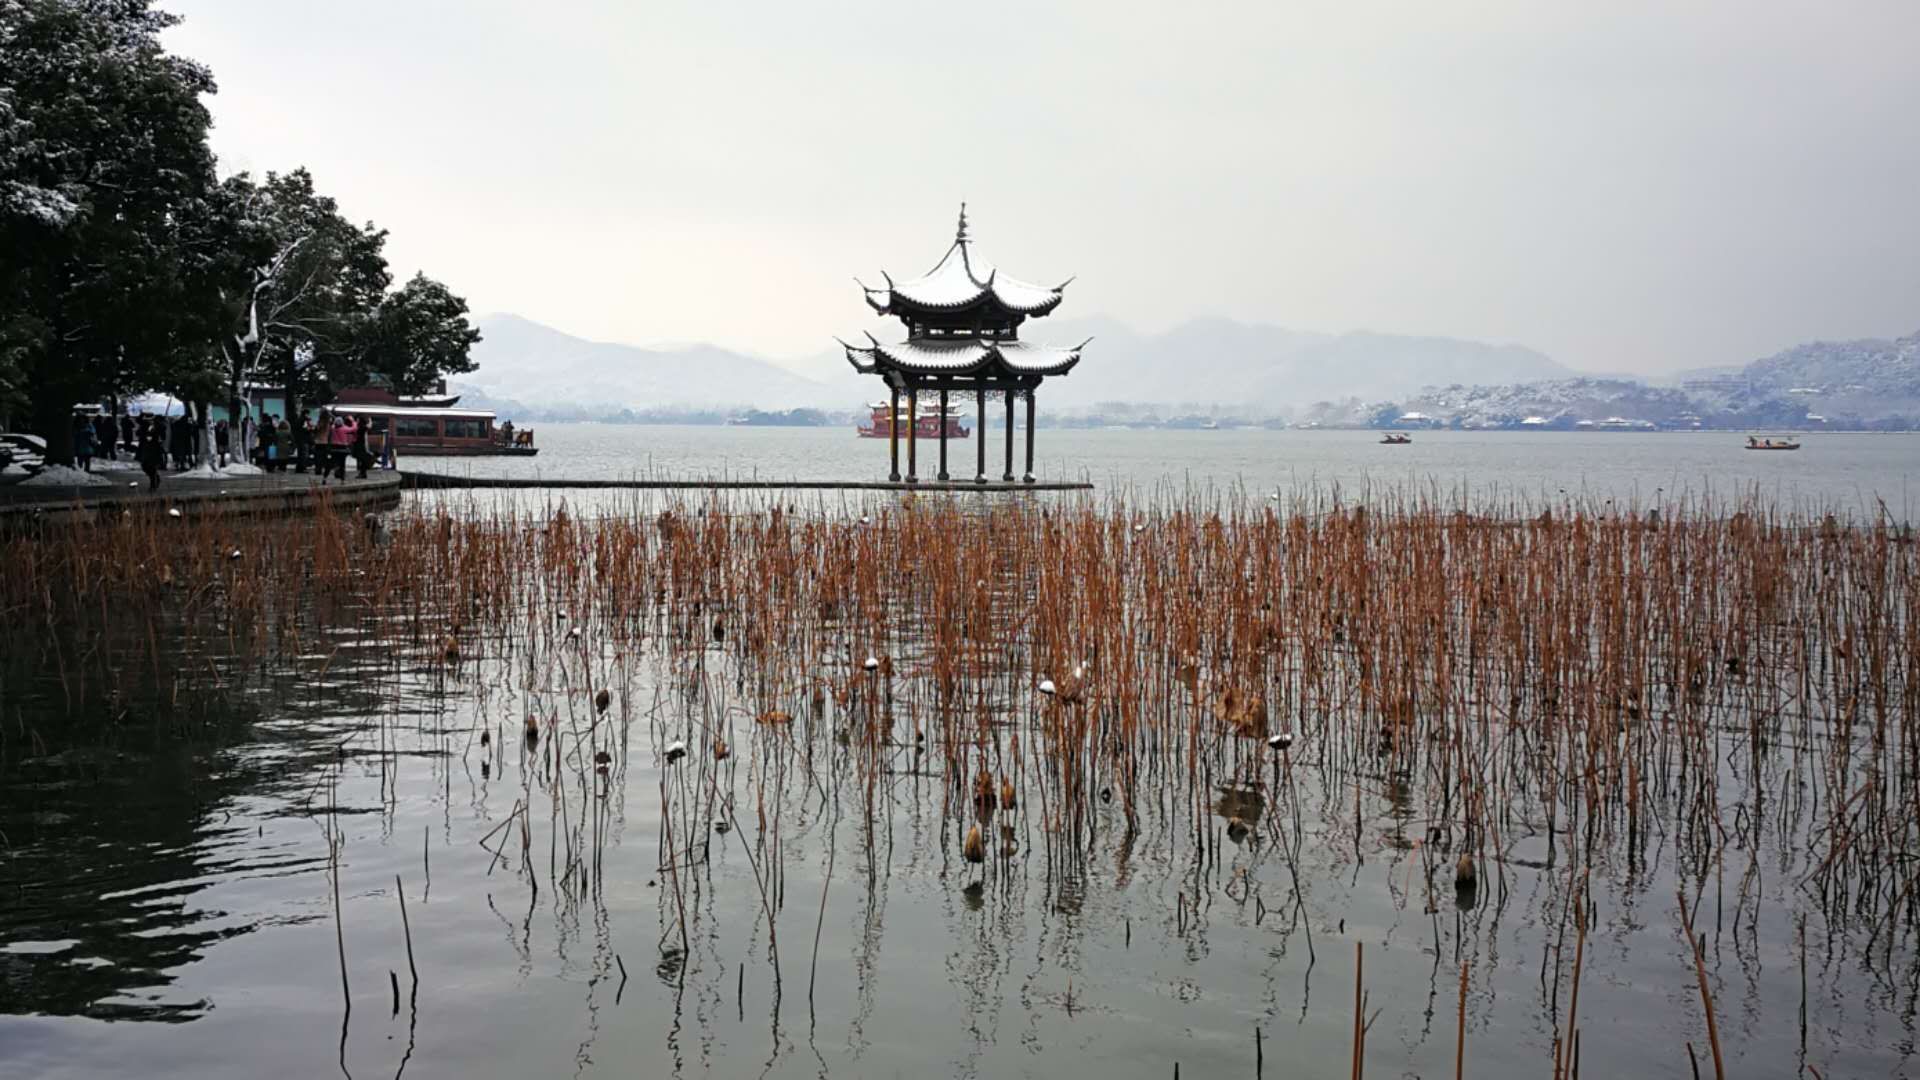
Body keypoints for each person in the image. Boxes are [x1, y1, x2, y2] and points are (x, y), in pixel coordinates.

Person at [138, 426, 165, 491]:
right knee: (149, 472)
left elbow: (159, 453)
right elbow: (142, 450)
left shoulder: (156, 443)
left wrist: (159, 461)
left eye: (150, 436)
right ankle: (156, 481)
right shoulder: (145, 442)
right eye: (148, 436)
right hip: (146, 460)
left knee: (152, 473)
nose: (148, 437)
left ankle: (153, 486)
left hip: (153, 460)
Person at [349, 414, 370, 479]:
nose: (356, 421)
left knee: (361, 459)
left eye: (357, 420)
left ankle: (362, 473)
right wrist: (370, 421)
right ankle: (363, 473)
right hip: (362, 445)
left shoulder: (359, 428)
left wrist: (352, 421)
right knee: (362, 460)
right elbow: (369, 426)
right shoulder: (364, 427)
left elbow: (353, 429)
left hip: (358, 445)